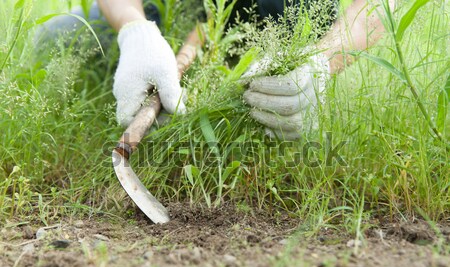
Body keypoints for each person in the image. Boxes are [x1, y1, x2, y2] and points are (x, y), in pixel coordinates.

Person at [40, 0, 395, 139]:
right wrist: (134, 31)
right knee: (56, 37)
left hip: (282, 24)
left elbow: (378, 7)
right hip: (177, 14)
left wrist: (321, 61)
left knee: (273, 113)